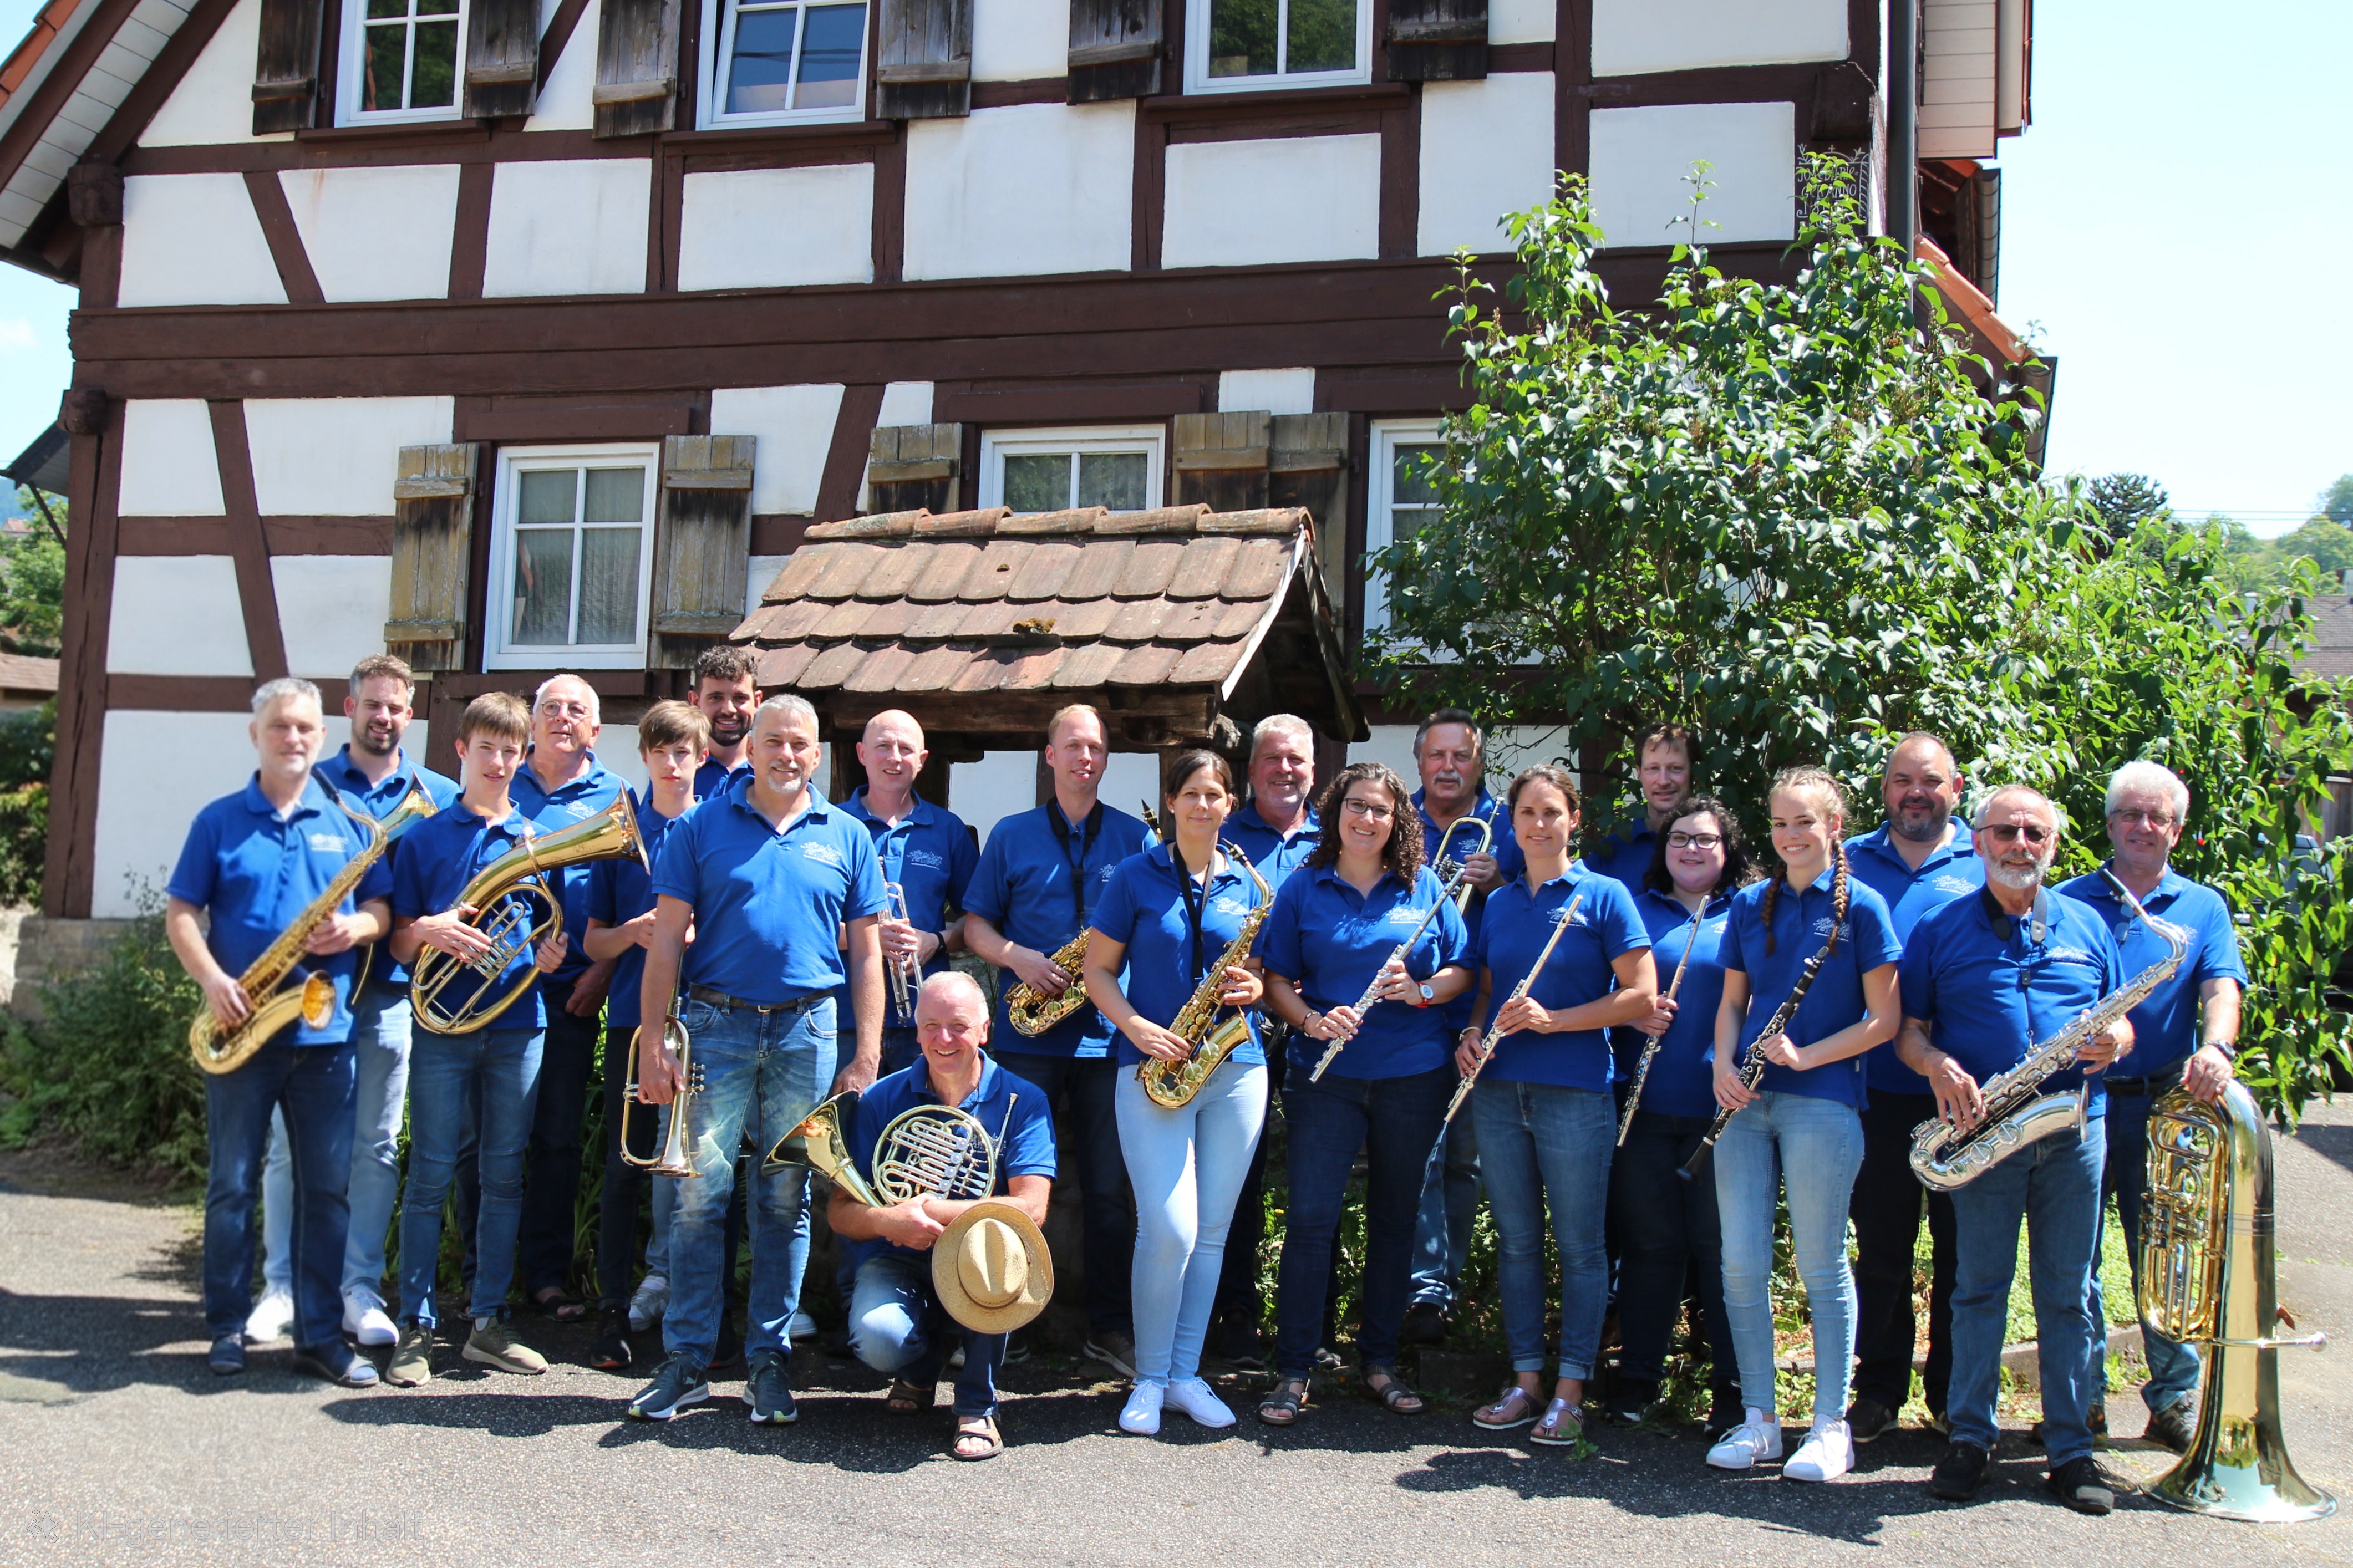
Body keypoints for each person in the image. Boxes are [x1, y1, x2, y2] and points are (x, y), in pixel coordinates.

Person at [626, 694, 887, 1426]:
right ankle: (686, 1362)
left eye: (799, 744)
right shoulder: (699, 827)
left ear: (815, 754)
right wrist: (653, 1040)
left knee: (782, 1200)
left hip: (807, 1032)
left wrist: (864, 1052)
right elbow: (666, 941)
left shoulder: (846, 836)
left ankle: (768, 1362)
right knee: (698, 1198)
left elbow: (866, 952)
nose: (786, 754)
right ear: (749, 745)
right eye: (773, 740)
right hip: (715, 1027)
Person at [1898, 785, 2131, 1516]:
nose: (2019, 843)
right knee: (1975, 1290)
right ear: (1978, 841)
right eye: (2005, 830)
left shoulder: (2088, 925)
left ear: (2053, 844)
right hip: (1986, 1133)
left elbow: (2122, 1026)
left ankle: (2069, 1449)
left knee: (2068, 1294)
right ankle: (1969, 1439)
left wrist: (2112, 1042)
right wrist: (1935, 1065)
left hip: (2072, 1132)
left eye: (2034, 832)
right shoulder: (1939, 928)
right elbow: (1907, 1031)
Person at [165, 678, 394, 1388]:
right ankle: (227, 1324)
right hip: (242, 1028)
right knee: (231, 1185)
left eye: (305, 728)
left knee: (327, 1189)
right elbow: (180, 912)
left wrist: (356, 925)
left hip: (322, 1035)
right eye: (280, 727)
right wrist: (212, 980)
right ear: (255, 734)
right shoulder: (218, 820)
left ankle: (321, 1335)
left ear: (322, 737)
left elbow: (381, 910)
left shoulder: (347, 819)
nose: (293, 738)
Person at [246, 656, 458, 1352]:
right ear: (350, 706)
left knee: (373, 1147)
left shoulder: (441, 795)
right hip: (311, 992)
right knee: (289, 1148)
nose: (384, 716)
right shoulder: (308, 782)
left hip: (390, 992)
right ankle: (281, 1283)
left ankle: (358, 1285)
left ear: (411, 711)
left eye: (396, 707)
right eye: (372, 704)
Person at [1254, 761, 1473, 1426]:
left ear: (1396, 819)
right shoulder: (1302, 888)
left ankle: (1378, 1362)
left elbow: (1464, 968)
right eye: (1356, 805)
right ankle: (1294, 1368)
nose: (1367, 818)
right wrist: (1312, 1020)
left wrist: (1423, 990)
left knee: (1394, 1219)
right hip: (1326, 1077)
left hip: (1413, 1072)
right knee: (1312, 1221)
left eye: (1381, 809)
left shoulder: (1424, 885)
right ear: (1335, 811)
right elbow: (1276, 981)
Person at [1705, 770, 1901, 1482]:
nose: (1790, 835)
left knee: (1820, 1263)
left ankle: (1827, 1424)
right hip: (1744, 1101)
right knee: (1741, 1262)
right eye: (1781, 823)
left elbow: (1884, 1020)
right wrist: (1721, 1065)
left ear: (1834, 826)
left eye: (1804, 823)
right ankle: (1760, 1419)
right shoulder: (1751, 903)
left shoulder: (1864, 907)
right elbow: (1731, 1003)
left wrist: (1807, 1054)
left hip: (1822, 1099)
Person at [1455, 765, 1655, 1447]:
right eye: (1527, 814)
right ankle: (1525, 1379)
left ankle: (1571, 1386)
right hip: (1499, 1089)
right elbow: (1486, 989)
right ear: (1511, 825)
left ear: (1574, 820)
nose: (1539, 824)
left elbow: (1640, 996)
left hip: (1574, 1089)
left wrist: (1555, 1020)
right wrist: (1472, 1031)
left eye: (1551, 812)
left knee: (1579, 1245)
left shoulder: (1604, 896)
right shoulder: (1502, 902)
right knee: (1516, 1243)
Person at [383, 690, 570, 1387]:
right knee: (430, 1175)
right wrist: (428, 928)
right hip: (442, 1027)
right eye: (485, 747)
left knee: (503, 1176)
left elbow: (550, 930)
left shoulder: (533, 840)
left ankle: (488, 1321)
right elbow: (401, 946)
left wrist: (551, 952)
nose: (497, 760)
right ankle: (418, 1325)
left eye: (510, 749)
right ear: (460, 751)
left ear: (523, 758)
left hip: (518, 1025)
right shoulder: (427, 836)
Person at [2059, 760, 2246, 1453]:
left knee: (2167, 1257)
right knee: (2072, 1256)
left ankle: (2172, 1399)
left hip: (2167, 1105)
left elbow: (2220, 988)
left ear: (2177, 828)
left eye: (2156, 816)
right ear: (2108, 824)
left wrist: (2217, 1047)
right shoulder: (2068, 898)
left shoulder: (2204, 905)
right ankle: (2080, 1402)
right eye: (2129, 815)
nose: (2142, 827)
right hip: (2080, 1102)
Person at [1084, 750, 1269, 1435]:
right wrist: (1137, 1026)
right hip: (1149, 1065)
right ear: (1170, 801)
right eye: (1190, 792)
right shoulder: (1135, 875)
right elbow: (1099, 971)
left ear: (1229, 803)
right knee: (1168, 1228)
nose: (1202, 804)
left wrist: (1253, 985)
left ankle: (1186, 1374)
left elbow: (1259, 973)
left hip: (1236, 1067)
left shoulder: (1249, 881)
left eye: (1215, 793)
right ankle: (1149, 1378)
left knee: (1213, 1232)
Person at [962, 703, 1151, 1375]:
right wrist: (1016, 956)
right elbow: (974, 925)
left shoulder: (1135, 838)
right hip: (1024, 1042)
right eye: (1073, 746)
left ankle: (1110, 1328)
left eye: (1096, 748)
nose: (1085, 758)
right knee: (1005, 1183)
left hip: (1107, 1044)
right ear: (1049, 756)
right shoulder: (1012, 835)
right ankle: (995, 1318)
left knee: (1109, 1193)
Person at [834, 972, 1057, 1461]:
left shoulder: (1023, 1100)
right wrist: (885, 1222)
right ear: (915, 1032)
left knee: (995, 1263)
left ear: (984, 1031)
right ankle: (919, 1366)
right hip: (900, 1255)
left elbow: (1032, 1209)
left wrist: (931, 1209)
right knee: (878, 1341)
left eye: (958, 1026)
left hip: (979, 1257)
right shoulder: (881, 1099)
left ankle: (978, 1405)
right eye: (930, 1026)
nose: (943, 1039)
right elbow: (841, 1210)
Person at [1841, 731, 1981, 1443]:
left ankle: (1955, 1390)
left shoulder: (1985, 855)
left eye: (1930, 780)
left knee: (1964, 1250)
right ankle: (1878, 1386)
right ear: (1885, 788)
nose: (1914, 792)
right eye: (1901, 780)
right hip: (1877, 1094)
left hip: (1970, 1096)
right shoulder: (1850, 860)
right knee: (1883, 1248)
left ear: (1955, 789)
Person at [1604, 795, 1752, 1436]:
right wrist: (1629, 1009)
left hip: (1723, 1112)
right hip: (1645, 1109)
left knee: (1722, 1251)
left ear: (1728, 850)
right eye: (1679, 840)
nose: (1692, 850)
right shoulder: (1636, 908)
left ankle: (1733, 1387)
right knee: (1649, 1248)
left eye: (1706, 840)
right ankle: (1638, 1376)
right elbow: (1604, 987)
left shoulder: (1749, 910)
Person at [580, 700, 709, 1372]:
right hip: (635, 1016)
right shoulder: (620, 830)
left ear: (701, 756)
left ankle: (678, 1290)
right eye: (660, 750)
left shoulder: (717, 825)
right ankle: (613, 1306)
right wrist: (631, 934)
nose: (671, 761)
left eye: (683, 750)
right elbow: (591, 937)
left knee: (689, 1162)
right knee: (625, 1164)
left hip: (704, 1018)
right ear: (646, 756)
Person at [508, 674, 629, 1324]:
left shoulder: (616, 797)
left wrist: (602, 976)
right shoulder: (502, 781)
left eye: (576, 709)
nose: (561, 717)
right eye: (550, 707)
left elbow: (627, 902)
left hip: (573, 995)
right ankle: (486, 1273)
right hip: (495, 991)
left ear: (595, 727)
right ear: (531, 722)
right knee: (488, 1140)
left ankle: (547, 1275)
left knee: (556, 1139)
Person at [1404, 709, 1523, 1343]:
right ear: (1420, 761)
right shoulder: (1400, 818)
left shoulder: (1507, 823)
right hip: (1419, 1011)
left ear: (1478, 763)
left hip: (1485, 1015)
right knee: (1424, 1156)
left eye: (1461, 756)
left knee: (1464, 1162)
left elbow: (1542, 898)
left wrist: (1501, 877)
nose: (1448, 767)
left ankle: (1445, 1287)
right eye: (1436, 755)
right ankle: (1423, 1290)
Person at [1209, 714, 1323, 1368]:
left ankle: (1308, 1329)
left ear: (1314, 768)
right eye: (1273, 758)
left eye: (1298, 760)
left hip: (1308, 1021)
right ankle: (1234, 1318)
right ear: (1251, 769)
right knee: (1237, 1178)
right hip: (1235, 1024)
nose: (1286, 770)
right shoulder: (1223, 829)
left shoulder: (1333, 835)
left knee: (1315, 1176)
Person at [840, 709, 977, 1080]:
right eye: (883, 746)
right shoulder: (830, 825)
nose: (894, 757)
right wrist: (863, 938)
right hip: (841, 1018)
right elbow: (803, 922)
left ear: (922, 760)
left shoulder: (947, 830)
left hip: (925, 1021)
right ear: (862, 753)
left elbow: (979, 922)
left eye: (905, 748)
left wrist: (937, 940)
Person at [1584, 724, 1697, 893]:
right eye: (1653, 769)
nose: (1663, 781)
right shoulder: (1608, 855)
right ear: (1640, 773)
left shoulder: (1713, 850)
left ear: (1693, 773)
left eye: (1676, 769)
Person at [689, 644, 761, 800]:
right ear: (695, 701)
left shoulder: (776, 769)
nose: (729, 710)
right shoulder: (677, 769)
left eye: (740, 698)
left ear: (757, 702)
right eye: (716, 698)